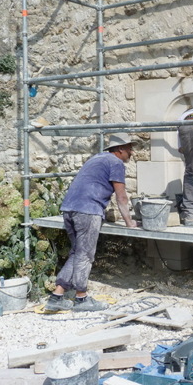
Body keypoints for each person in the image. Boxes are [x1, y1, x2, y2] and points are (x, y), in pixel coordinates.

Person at [44, 133, 137, 312]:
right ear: (120, 149)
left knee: (77, 252)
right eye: (129, 149)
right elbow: (121, 196)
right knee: (86, 254)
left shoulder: (97, 158)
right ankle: (81, 299)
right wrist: (129, 222)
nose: (131, 152)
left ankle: (57, 296)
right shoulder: (116, 163)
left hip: (69, 209)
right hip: (88, 211)